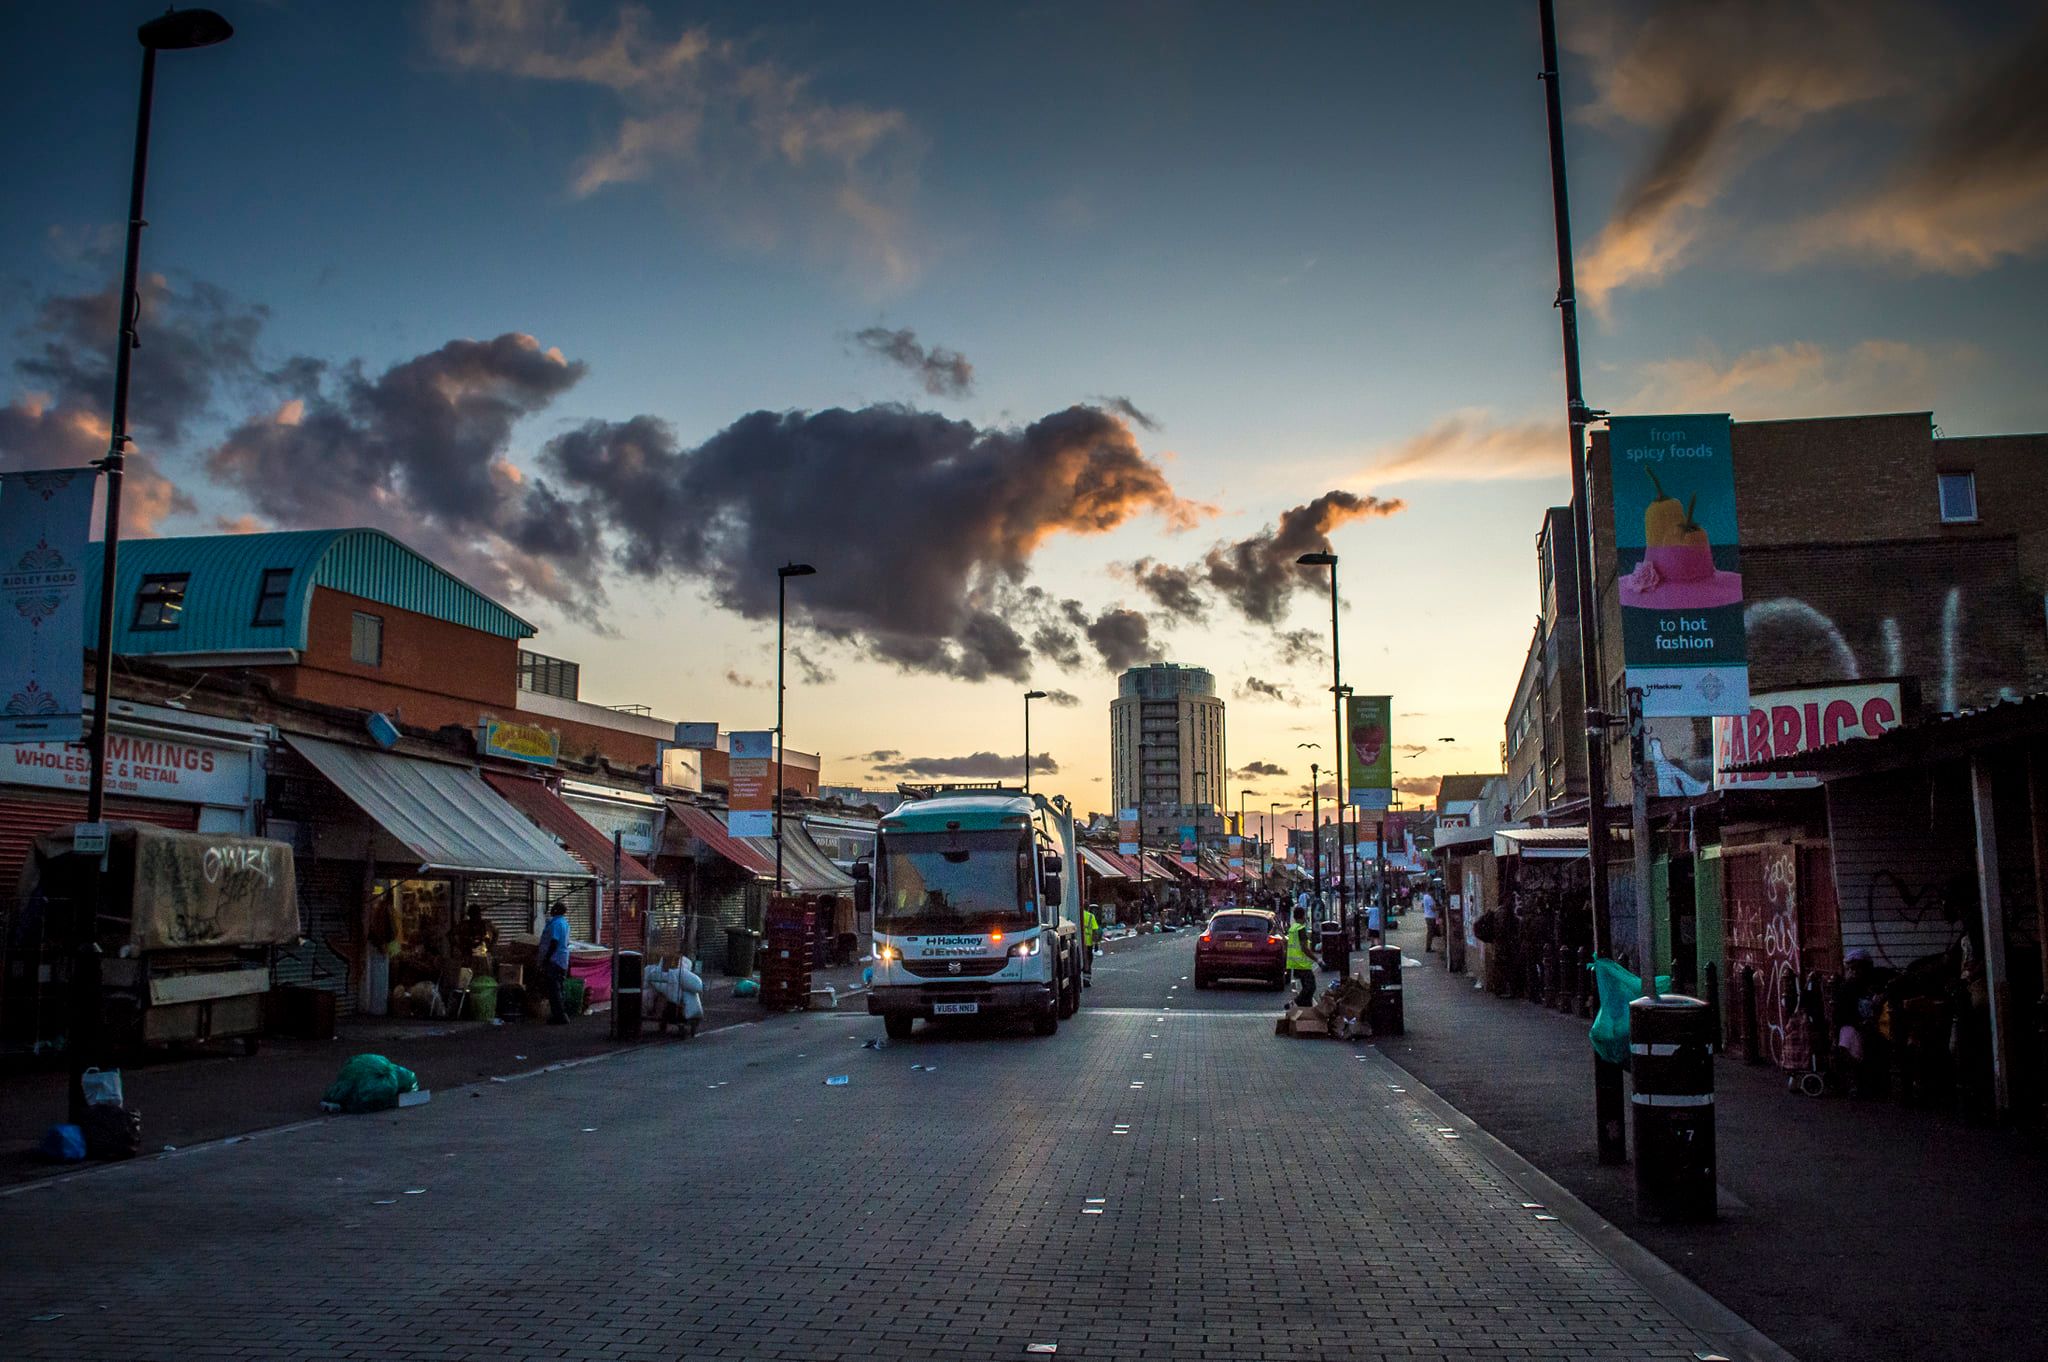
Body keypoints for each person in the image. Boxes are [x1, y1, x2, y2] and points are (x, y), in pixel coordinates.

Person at [539, 901, 571, 1025]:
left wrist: (546, 958)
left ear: (556, 911)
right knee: (559, 987)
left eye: (553, 909)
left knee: (554, 989)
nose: (551, 911)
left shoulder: (556, 924)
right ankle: (561, 1014)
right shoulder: (565, 924)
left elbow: (554, 942)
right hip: (562, 960)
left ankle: (560, 1016)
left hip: (555, 960)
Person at [1286, 906, 1318, 1008]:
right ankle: (1294, 1003)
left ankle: (1306, 1012)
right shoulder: (1300, 929)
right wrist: (1317, 960)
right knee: (1310, 987)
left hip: (1295, 963)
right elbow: (1304, 948)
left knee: (1307, 989)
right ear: (1303, 916)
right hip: (1302, 964)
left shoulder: (1292, 928)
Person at [1082, 903, 1100, 985]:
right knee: (1088, 961)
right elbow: (1095, 931)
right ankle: (1086, 980)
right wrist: (1096, 943)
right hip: (1088, 943)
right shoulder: (1090, 916)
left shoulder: (1077, 915)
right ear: (1088, 908)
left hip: (1079, 941)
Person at [1421, 888, 1441, 952]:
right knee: (1430, 932)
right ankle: (1428, 947)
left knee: (1431, 932)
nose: (1434, 893)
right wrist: (1439, 908)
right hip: (1430, 916)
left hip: (1428, 916)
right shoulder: (1429, 898)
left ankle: (1429, 946)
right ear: (1431, 891)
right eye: (1433, 891)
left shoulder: (1425, 897)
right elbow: (1433, 908)